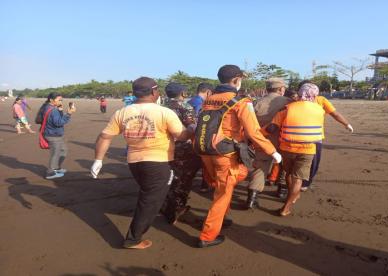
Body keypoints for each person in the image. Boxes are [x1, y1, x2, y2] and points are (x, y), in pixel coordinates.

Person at [90, 77, 195, 250]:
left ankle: (170, 212)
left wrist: (98, 160)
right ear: (154, 92)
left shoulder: (122, 112)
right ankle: (133, 239)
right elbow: (181, 136)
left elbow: (105, 137)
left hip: (134, 162)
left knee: (153, 193)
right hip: (157, 162)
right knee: (149, 201)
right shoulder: (163, 112)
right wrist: (191, 129)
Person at [195, 65, 281, 248]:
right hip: (224, 152)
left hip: (205, 150)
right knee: (223, 192)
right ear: (236, 80)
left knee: (224, 185)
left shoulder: (209, 99)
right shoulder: (241, 101)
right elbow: (253, 132)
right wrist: (271, 151)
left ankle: (222, 219)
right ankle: (208, 236)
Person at [265, 83, 325, 216]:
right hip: (308, 149)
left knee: (288, 174)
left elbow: (272, 128)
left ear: (300, 93)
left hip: (287, 148)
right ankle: (287, 207)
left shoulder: (287, 108)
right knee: (298, 178)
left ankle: (291, 196)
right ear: (315, 95)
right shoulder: (320, 110)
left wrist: (257, 135)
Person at [298, 80, 353, 192]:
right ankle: (304, 184)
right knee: (313, 162)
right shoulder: (320, 100)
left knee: (295, 162)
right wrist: (346, 124)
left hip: (294, 136)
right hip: (315, 137)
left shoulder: (295, 100)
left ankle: (291, 184)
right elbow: (335, 114)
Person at [245, 78, 291, 209]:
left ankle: (252, 199)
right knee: (285, 166)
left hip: (261, 139)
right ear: (281, 89)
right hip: (283, 140)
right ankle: (281, 191)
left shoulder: (257, 102)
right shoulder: (288, 102)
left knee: (260, 168)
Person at [160, 82, 200, 224]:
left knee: (167, 177)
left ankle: (164, 205)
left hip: (163, 146)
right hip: (182, 147)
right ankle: (176, 208)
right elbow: (192, 127)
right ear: (182, 93)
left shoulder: (161, 107)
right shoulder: (185, 107)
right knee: (183, 179)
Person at [36, 93, 76, 179]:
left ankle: (56, 167)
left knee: (63, 150)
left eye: (61, 100)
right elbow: (59, 122)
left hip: (52, 133)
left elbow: (55, 120)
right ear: (51, 100)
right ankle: (50, 172)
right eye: (59, 100)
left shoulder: (48, 107)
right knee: (55, 154)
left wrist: (60, 111)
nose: (61, 101)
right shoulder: (53, 110)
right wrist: (69, 114)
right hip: (53, 135)